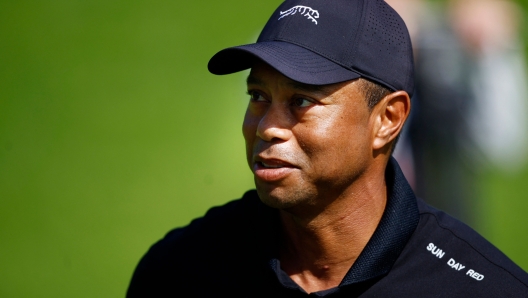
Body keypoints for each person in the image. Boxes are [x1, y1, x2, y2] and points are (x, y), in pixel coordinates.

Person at [127, 0, 528, 296]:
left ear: (387, 119)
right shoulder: (177, 271)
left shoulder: (484, 288)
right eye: (258, 96)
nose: (267, 128)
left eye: (301, 101)